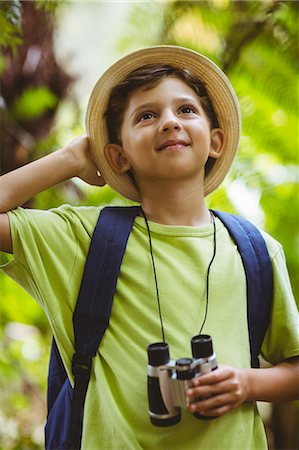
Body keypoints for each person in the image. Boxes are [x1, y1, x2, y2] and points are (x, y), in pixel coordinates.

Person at [0, 45, 298, 450]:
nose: (170, 122)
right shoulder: (84, 240)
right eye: (146, 116)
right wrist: (70, 158)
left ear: (215, 140)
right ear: (118, 157)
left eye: (186, 110)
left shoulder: (255, 250)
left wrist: (245, 383)